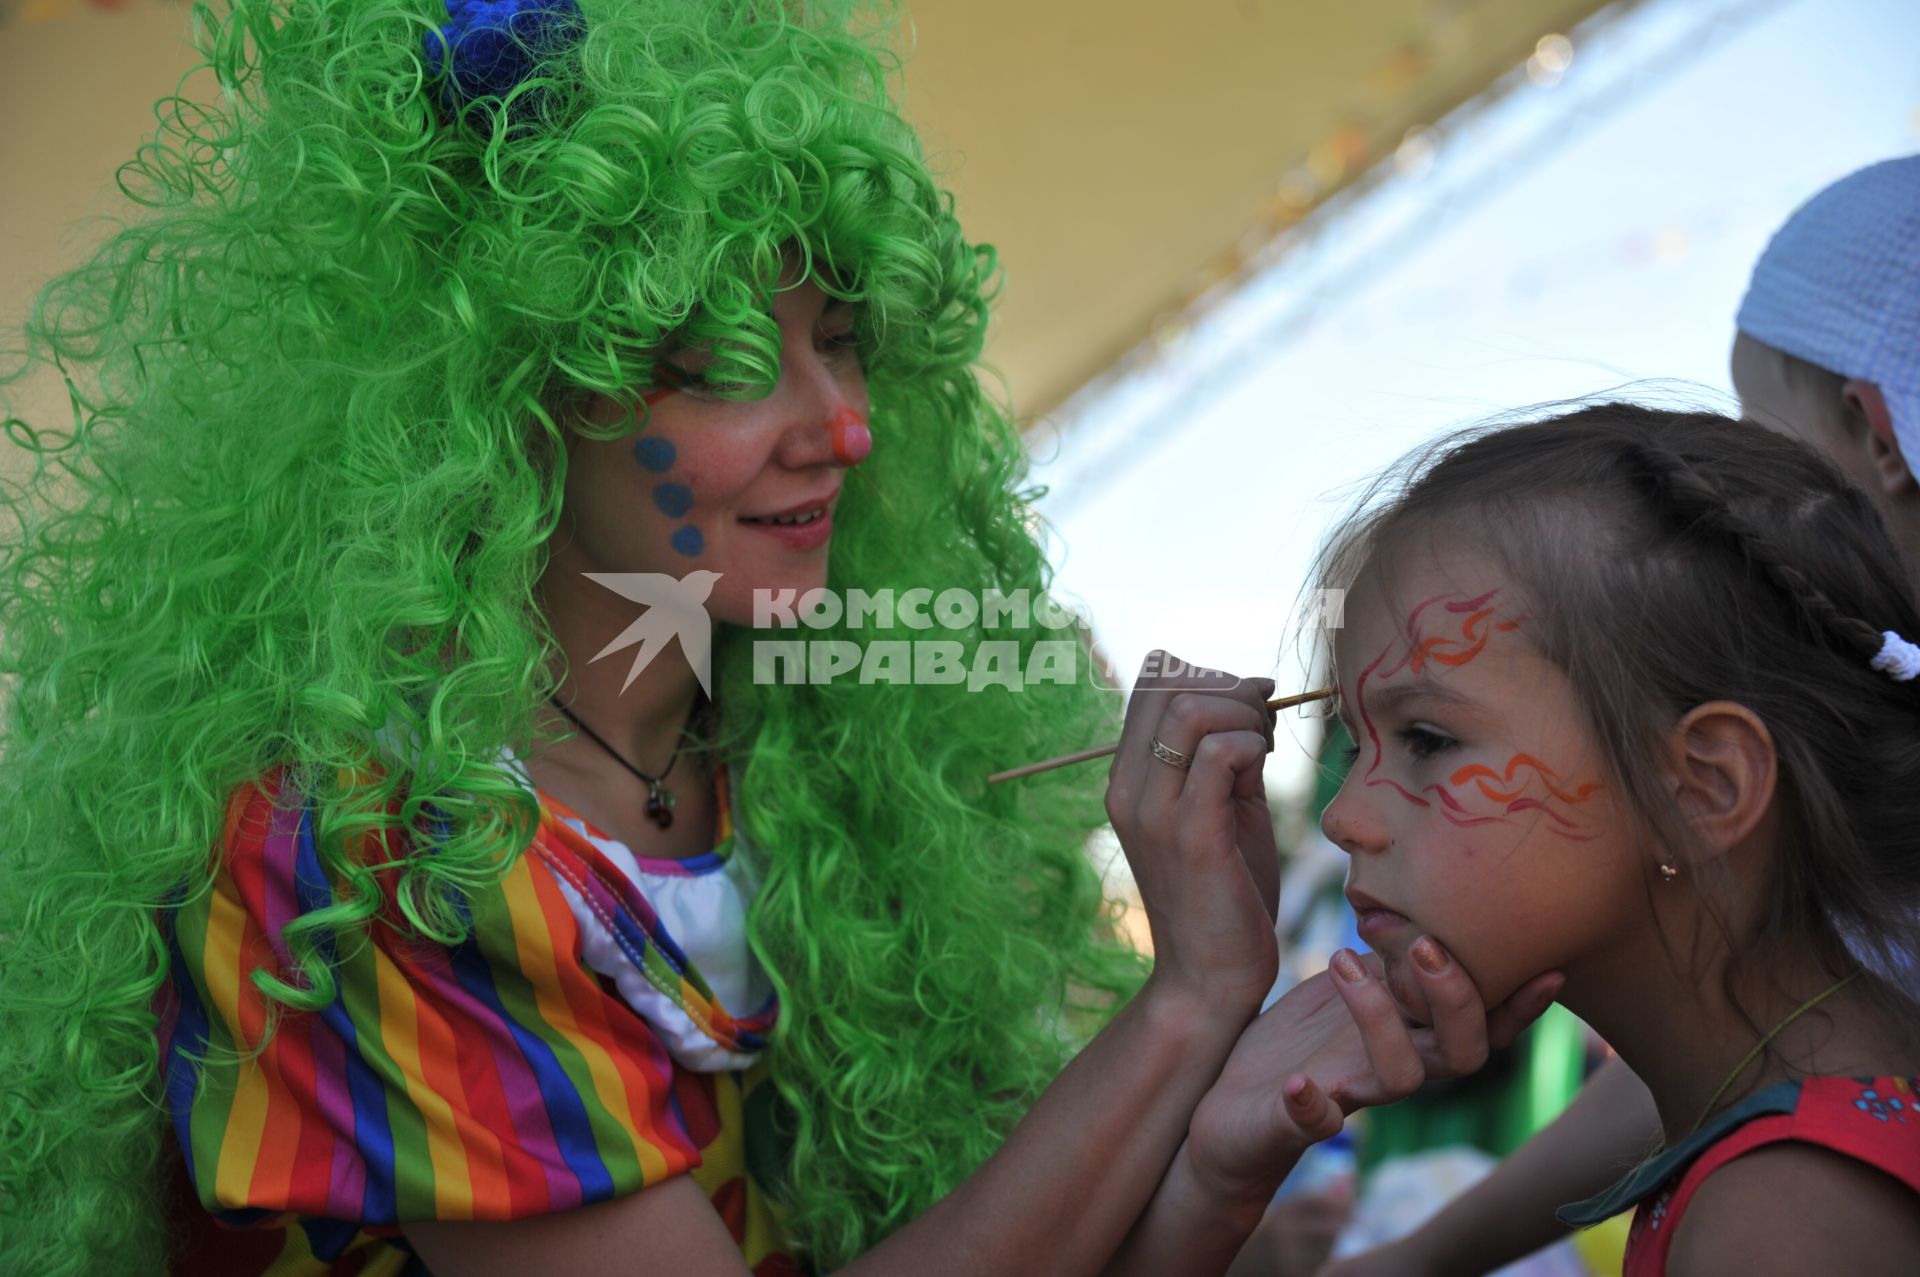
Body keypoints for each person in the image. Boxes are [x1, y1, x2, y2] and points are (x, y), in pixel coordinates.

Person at [0, 3, 1556, 1274]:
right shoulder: (351, 850)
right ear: (501, 407)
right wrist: (1183, 1013)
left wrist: (1231, 1134)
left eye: (844, 338)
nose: (848, 427)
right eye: (730, 361)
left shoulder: (812, 748)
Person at [1320, 152, 1920, 1277]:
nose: (1344, 818)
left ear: (1708, 784)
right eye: (1360, 747)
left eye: (1429, 738)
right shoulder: (1778, 1126)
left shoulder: (1785, 1225)